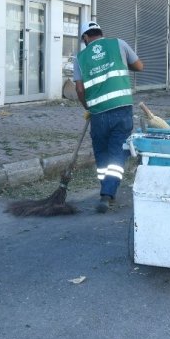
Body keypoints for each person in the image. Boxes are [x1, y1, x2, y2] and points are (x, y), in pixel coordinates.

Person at [73, 21, 143, 213]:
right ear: (100, 33)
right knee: (117, 151)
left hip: (98, 113)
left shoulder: (80, 57)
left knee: (102, 152)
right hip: (122, 108)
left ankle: (106, 190)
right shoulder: (118, 44)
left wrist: (87, 107)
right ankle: (108, 192)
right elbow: (139, 66)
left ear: (85, 38)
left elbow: (79, 89)